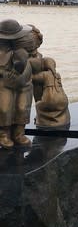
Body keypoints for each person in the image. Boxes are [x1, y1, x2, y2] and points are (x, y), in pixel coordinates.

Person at [0, 19, 34, 149]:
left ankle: (19, 133)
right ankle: (3, 134)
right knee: (4, 107)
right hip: (4, 83)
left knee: (22, 106)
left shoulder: (22, 49)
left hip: (24, 82)